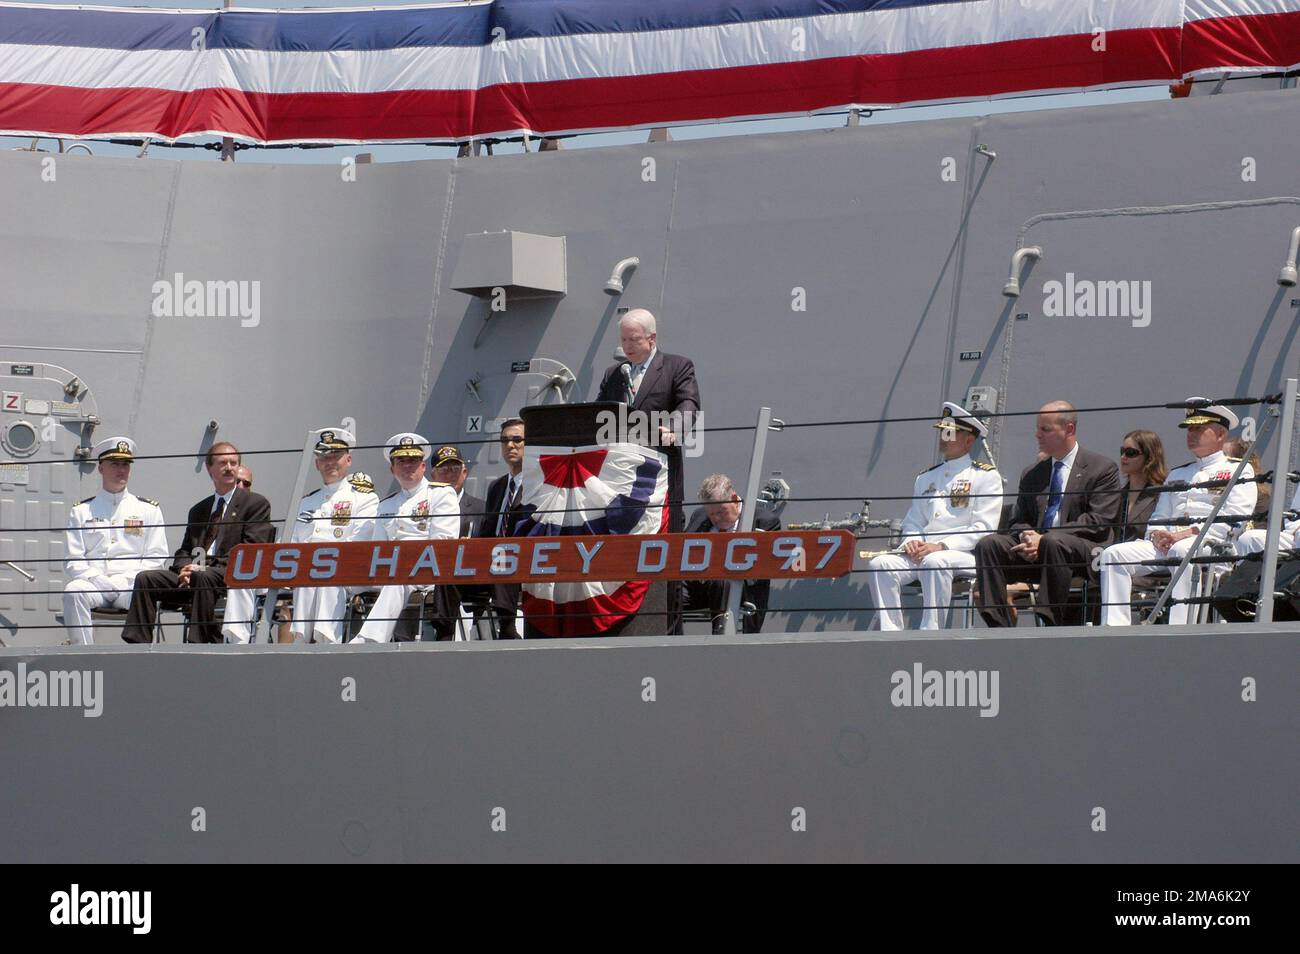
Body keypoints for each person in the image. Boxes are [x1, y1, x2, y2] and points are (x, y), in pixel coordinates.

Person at [1100, 400, 1257, 625]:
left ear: (1220, 434)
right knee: (1113, 555)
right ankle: (1114, 628)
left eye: (1199, 428)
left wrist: (1186, 534)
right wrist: (1157, 534)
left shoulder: (1238, 469)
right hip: (1169, 545)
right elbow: (1159, 516)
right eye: (1189, 428)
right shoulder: (1177, 473)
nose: (1191, 434)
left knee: (1183, 550)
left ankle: (1180, 628)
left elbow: (1236, 520)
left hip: (1212, 547)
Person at [974, 400, 1123, 626]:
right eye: (1038, 428)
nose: (1037, 435)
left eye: (1045, 429)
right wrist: (1027, 536)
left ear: (1069, 429)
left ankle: (1049, 621)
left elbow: (1098, 521)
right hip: (1037, 550)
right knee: (989, 545)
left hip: (1083, 551)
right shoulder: (1033, 473)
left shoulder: (1101, 468)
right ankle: (998, 624)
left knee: (1054, 542)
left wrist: (1044, 538)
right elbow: (1018, 520)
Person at [867, 404, 1002, 631]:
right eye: (942, 430)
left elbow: (983, 528)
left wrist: (940, 545)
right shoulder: (926, 478)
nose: (943, 436)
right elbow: (914, 521)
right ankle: (890, 633)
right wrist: (912, 541)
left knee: (935, 561)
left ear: (969, 440)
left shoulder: (985, 477)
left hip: (964, 554)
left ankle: (931, 632)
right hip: (924, 552)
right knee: (880, 564)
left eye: (950, 432)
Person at [122, 441, 274, 643]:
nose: (229, 468)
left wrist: (200, 569)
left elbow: (251, 550)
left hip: (229, 574)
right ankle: (137, 644)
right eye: (222, 463)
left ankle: (199, 643)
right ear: (210, 469)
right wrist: (184, 569)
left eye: (233, 463)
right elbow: (185, 549)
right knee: (145, 579)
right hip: (197, 574)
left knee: (204, 576)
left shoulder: (255, 504)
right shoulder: (199, 510)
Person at [595, 308, 700, 533]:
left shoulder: (677, 366)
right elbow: (598, 412)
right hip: (618, 472)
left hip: (657, 468)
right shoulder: (613, 374)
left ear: (651, 338)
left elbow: (688, 403)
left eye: (633, 339)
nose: (627, 346)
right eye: (623, 340)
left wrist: (674, 429)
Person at [353, 434, 460, 643]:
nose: (407, 466)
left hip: (427, 571)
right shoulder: (386, 505)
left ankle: (368, 640)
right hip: (389, 572)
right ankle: (319, 639)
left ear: (423, 467)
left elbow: (443, 544)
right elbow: (378, 548)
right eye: (401, 461)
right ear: (392, 469)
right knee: (337, 582)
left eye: (412, 461)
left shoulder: (441, 494)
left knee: (397, 580)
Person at [62, 438, 169, 645]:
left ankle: (140, 656)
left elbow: (157, 558)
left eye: (125, 464)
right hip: (95, 585)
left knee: (146, 595)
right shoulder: (81, 511)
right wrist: (97, 579)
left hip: (130, 586)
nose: (121, 470)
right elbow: (73, 559)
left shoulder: (148, 510)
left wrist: (127, 579)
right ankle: (83, 656)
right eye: (114, 464)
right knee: (73, 591)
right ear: (100, 468)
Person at [289, 428, 379, 643]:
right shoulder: (306, 502)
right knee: (309, 574)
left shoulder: (364, 498)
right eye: (324, 457)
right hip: (309, 573)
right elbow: (293, 543)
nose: (330, 462)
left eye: (335, 457)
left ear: (348, 459)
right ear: (316, 463)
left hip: (348, 572)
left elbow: (359, 543)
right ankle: (301, 640)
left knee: (327, 571)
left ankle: (326, 639)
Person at [682, 474, 781, 634]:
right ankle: (665, 638)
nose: (715, 518)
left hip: (740, 588)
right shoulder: (699, 515)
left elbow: (764, 566)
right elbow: (682, 550)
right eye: (711, 514)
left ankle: (720, 639)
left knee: (723, 579)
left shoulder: (765, 521)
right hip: (701, 586)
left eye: (720, 512)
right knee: (668, 590)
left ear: (734, 500)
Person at [428, 445, 487, 640]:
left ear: (464, 472)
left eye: (454, 469)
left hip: (471, 578)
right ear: (433, 474)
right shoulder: (422, 507)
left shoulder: (481, 508)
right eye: (444, 469)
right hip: (431, 574)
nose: (449, 475)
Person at [476, 419, 526, 638]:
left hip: (524, 556)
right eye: (505, 441)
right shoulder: (497, 487)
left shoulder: (540, 484)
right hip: (492, 557)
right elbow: (488, 529)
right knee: (450, 573)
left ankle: (507, 627)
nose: (510, 446)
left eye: (517, 440)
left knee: (505, 552)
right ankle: (444, 631)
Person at [1117, 430, 1167, 542]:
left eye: (1130, 452)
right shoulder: (1117, 495)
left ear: (1149, 456)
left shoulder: (1162, 495)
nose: (1123, 457)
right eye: (1122, 451)